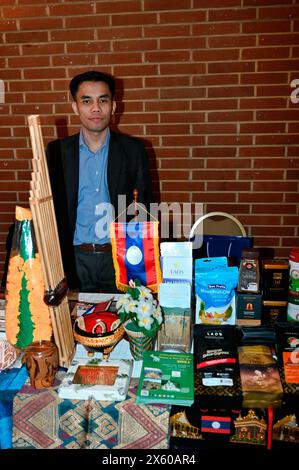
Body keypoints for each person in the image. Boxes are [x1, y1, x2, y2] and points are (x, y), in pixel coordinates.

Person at [46, 70, 152, 293]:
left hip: (118, 257)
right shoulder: (57, 152)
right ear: (75, 107)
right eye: (86, 101)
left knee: (119, 323)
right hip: (73, 258)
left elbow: (144, 208)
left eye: (103, 100)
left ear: (113, 106)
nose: (95, 108)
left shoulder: (133, 150)